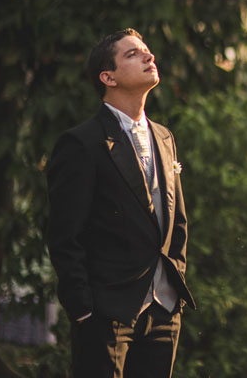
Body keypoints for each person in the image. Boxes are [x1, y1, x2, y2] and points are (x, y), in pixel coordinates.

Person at [46, 28, 195, 377]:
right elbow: (64, 235)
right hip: (106, 314)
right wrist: (83, 309)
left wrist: (174, 279)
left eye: (146, 50)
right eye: (132, 54)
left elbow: (178, 221)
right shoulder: (82, 143)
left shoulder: (164, 137)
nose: (149, 56)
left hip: (164, 311)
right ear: (108, 77)